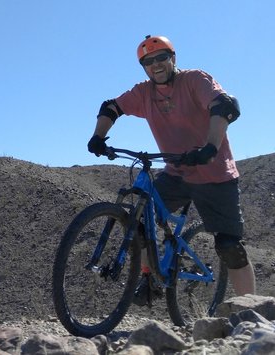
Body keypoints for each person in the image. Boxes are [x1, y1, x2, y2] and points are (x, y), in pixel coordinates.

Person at [87, 35, 256, 305]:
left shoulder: (194, 80)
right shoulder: (144, 93)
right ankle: (149, 278)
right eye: (148, 61)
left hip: (214, 175)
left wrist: (210, 147)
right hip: (177, 174)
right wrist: (98, 137)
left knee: (229, 247)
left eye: (161, 57)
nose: (155, 65)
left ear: (173, 58)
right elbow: (112, 107)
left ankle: (253, 313)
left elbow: (224, 106)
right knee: (139, 223)